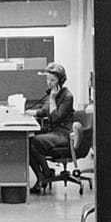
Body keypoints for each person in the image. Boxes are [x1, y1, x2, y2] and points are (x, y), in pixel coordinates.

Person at [26, 62, 74, 193]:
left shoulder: (67, 96)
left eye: (52, 80)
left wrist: (52, 99)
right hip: (54, 132)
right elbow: (44, 111)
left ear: (61, 81)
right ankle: (43, 175)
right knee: (26, 140)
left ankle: (45, 175)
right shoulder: (54, 93)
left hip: (64, 134)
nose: (49, 82)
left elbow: (55, 118)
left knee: (34, 142)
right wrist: (28, 112)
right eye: (47, 79)